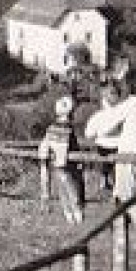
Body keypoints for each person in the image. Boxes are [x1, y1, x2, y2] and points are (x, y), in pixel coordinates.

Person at [84, 68, 136, 233]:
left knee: (125, 196)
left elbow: (106, 124)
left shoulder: (127, 106)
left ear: (128, 86)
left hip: (127, 155)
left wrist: (99, 134)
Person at [39, 95, 84, 225]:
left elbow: (46, 143)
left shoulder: (52, 128)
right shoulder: (68, 128)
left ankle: (69, 215)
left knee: (63, 188)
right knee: (71, 187)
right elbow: (73, 145)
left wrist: (45, 156)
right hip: (66, 163)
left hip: (57, 162)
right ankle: (76, 213)